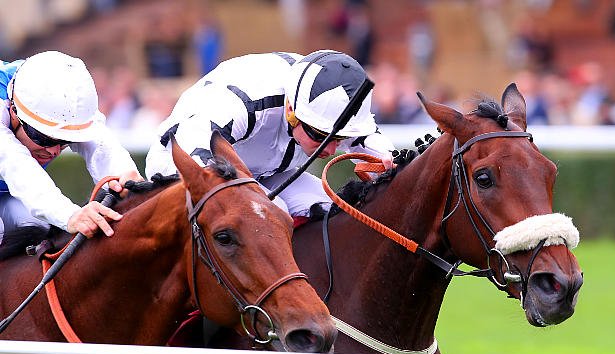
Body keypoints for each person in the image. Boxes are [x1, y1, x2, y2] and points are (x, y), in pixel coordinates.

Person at [145, 50, 395, 218]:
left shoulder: (322, 106)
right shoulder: (242, 103)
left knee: (332, 211)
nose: (330, 151)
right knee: (271, 213)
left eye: (338, 140)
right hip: (182, 164)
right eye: (320, 136)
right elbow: (193, 155)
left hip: (267, 172)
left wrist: (392, 162)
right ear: (290, 110)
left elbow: (367, 141)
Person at [0, 51, 144, 244]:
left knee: (36, 227)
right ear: (13, 112)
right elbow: (16, 165)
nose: (54, 151)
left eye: (65, 141)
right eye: (43, 138)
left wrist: (127, 181)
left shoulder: (58, 98)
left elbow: (101, 146)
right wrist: (70, 215)